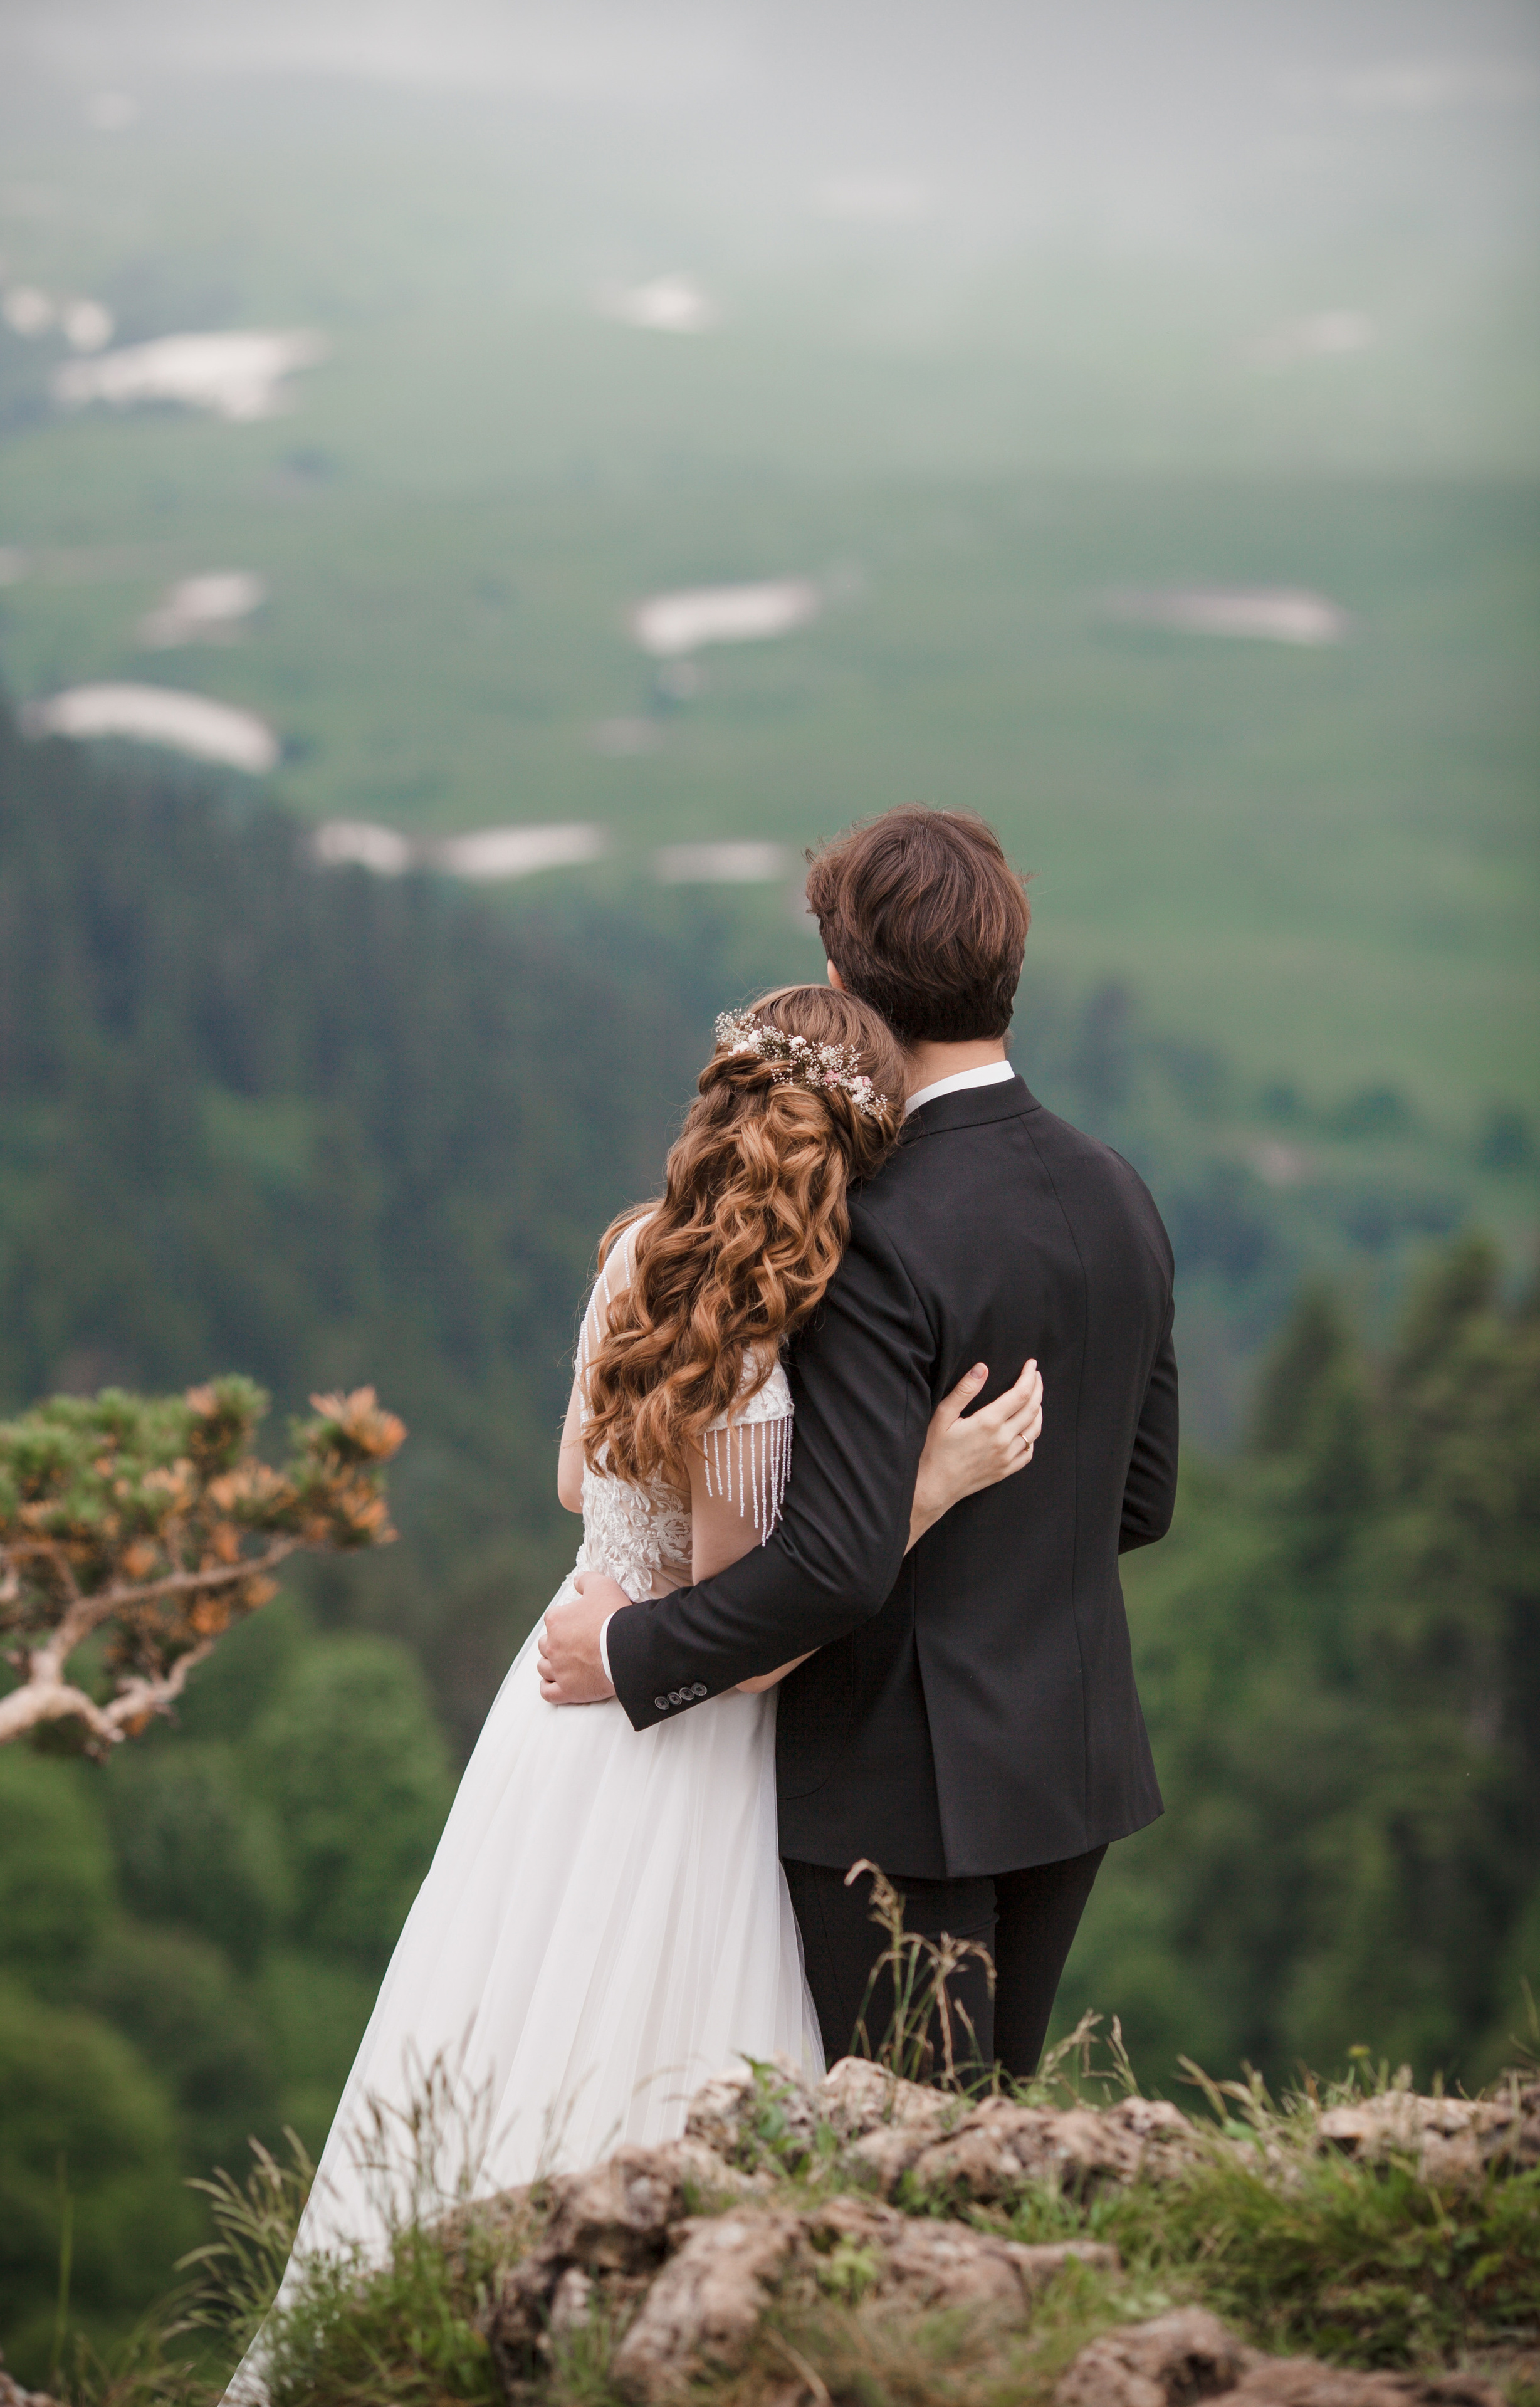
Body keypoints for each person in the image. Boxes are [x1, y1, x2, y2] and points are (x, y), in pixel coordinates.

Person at [231, 980, 1041, 2381]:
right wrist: (918, 1492)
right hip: (666, 1729)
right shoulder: (755, 1342)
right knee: (649, 2049)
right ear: (849, 1151)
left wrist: (624, 1561)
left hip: (551, 1712)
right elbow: (751, 1637)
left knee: (501, 2004)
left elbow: (570, 1483)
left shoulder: (633, 1255)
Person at [538, 805, 1178, 2084]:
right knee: (986, 2146)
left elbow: (829, 1565)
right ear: (1006, 966)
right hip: (1070, 1759)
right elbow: (1139, 1496)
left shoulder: (857, 1225)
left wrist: (628, 1647)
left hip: (893, 1786)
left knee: (904, 2163)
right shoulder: (1113, 1186)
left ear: (842, 979)